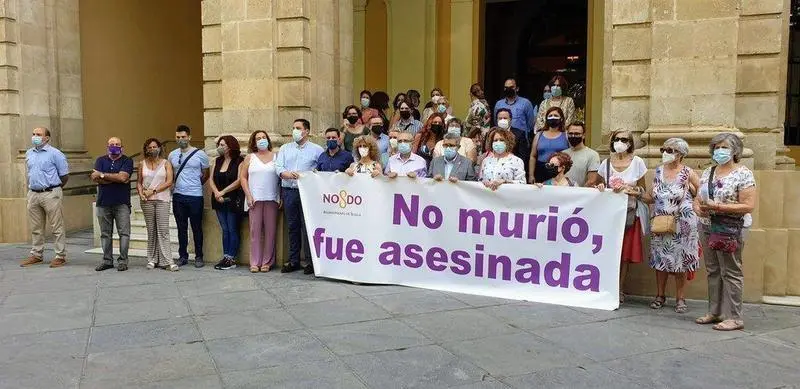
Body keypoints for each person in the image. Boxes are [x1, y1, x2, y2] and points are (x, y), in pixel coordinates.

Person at [694, 133, 756, 331]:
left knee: (731, 270)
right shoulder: (708, 172)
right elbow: (698, 197)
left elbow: (748, 205)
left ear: (735, 151)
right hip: (706, 225)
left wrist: (718, 207)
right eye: (717, 147)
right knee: (713, 269)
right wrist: (698, 207)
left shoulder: (743, 173)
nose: (720, 151)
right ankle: (715, 311)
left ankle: (735, 316)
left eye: (725, 147)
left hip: (731, 227)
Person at [642, 138, 700, 314]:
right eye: (664, 149)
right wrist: (633, 192)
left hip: (683, 223)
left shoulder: (688, 172)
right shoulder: (659, 171)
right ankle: (660, 295)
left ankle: (680, 298)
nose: (666, 153)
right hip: (661, 221)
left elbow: (701, 192)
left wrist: (695, 205)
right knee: (660, 259)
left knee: (681, 261)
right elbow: (651, 196)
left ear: (680, 154)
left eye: (670, 150)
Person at [596, 129, 648, 304]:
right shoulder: (606, 163)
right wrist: (601, 187)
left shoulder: (638, 162)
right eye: (616, 139)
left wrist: (629, 189)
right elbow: (597, 185)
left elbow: (644, 191)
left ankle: (620, 288)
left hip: (629, 213)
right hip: (609, 216)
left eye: (624, 139)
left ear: (630, 143)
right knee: (608, 251)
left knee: (624, 253)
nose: (620, 142)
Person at [276, 119, 324, 274]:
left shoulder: (317, 150)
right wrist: (287, 174)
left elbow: (320, 169)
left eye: (298, 128)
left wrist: (309, 176)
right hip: (289, 191)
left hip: (307, 193)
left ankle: (310, 262)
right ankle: (294, 260)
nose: (295, 131)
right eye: (293, 128)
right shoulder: (285, 148)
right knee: (292, 226)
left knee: (307, 226)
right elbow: (278, 167)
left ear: (307, 131)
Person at [20, 127, 70, 268]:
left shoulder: (55, 154)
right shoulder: (29, 153)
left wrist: (55, 189)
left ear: (47, 138)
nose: (35, 136)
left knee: (56, 226)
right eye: (33, 134)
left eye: (39, 134)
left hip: (51, 193)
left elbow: (64, 175)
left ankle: (60, 256)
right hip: (33, 193)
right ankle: (36, 254)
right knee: (36, 227)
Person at [169, 124, 210, 268]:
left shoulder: (200, 154)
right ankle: (182, 256)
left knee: (196, 227)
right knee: (181, 227)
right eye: (178, 137)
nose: (181, 139)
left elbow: (206, 174)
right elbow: (171, 174)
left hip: (195, 195)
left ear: (189, 137)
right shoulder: (172, 155)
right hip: (178, 195)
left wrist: (196, 184)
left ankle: (199, 256)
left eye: (183, 137)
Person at [241, 130, 281, 273]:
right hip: (254, 199)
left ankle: (267, 261)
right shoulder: (250, 158)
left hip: (271, 198)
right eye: (258, 138)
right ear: (254, 142)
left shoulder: (277, 157)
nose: (261, 140)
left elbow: (280, 177)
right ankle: (255, 262)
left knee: (270, 231)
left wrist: (280, 196)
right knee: (255, 231)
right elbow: (243, 177)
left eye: (264, 137)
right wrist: (248, 195)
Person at [92, 137, 134, 272]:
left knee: (124, 233)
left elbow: (123, 177)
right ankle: (107, 260)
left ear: (122, 147)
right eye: (112, 144)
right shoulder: (100, 160)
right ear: (107, 146)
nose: (114, 146)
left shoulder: (127, 161)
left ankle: (123, 261)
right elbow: (94, 178)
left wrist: (103, 176)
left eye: (117, 145)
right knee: (105, 234)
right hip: (103, 202)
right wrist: (114, 178)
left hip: (122, 203)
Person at [137, 138, 177, 271]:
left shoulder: (166, 163)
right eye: (150, 147)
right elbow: (139, 181)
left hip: (162, 199)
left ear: (160, 148)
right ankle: (152, 259)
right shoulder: (142, 163)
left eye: (155, 147)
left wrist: (153, 191)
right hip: (146, 201)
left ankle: (168, 260)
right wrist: (141, 193)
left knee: (163, 230)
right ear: (146, 149)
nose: (152, 149)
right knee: (151, 230)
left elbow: (169, 181)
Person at [208, 135, 245, 270]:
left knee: (232, 228)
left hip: (232, 199)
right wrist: (216, 193)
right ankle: (225, 256)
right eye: (219, 144)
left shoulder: (239, 161)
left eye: (222, 145)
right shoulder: (217, 161)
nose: (219, 147)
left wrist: (222, 192)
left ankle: (231, 258)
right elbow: (211, 179)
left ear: (230, 146)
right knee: (224, 229)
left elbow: (239, 180)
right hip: (218, 199)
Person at [529, 107, 569, 184]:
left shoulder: (566, 135)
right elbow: (533, 156)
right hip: (541, 170)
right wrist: (531, 175)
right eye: (550, 115)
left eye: (555, 115)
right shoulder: (539, 135)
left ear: (561, 118)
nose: (552, 117)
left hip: (559, 170)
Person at [562, 121, 601, 187]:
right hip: (562, 193)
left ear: (583, 135)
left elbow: (592, 181)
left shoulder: (593, 155)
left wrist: (578, 193)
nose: (573, 136)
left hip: (580, 195)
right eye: (570, 133)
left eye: (577, 134)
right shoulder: (562, 154)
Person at [496, 108, 531, 175]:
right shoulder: (491, 133)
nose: (502, 120)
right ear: (497, 120)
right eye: (500, 118)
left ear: (510, 120)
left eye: (505, 118)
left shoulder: (519, 134)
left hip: (513, 169)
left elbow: (522, 156)